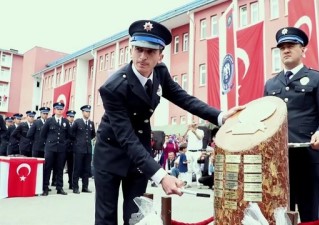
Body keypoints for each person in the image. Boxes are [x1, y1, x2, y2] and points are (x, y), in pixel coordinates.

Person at [92, 19, 242, 225]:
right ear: (131, 50)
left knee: (136, 215)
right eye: (138, 49)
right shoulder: (113, 87)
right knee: (106, 217)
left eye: (150, 51)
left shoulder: (160, 73)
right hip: (111, 153)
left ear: (160, 55)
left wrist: (219, 116)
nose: (143, 57)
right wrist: (161, 176)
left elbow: (184, 98)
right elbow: (126, 138)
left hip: (139, 155)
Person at [264, 27, 319, 222]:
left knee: (309, 215)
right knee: (279, 215)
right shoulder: (271, 84)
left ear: (302, 49)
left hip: (308, 155)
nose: (286, 50)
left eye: (291, 46)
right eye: (282, 47)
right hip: (279, 161)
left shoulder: (318, 78)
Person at [41, 102, 71, 196]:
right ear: (54, 110)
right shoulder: (49, 120)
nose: (59, 110)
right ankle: (45, 188)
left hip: (61, 149)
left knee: (59, 168)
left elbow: (69, 135)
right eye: (57, 109)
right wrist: (49, 142)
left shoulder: (65, 121)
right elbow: (42, 134)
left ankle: (59, 187)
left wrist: (64, 143)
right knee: (47, 168)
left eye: (61, 109)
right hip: (50, 148)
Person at [70, 105, 96, 194]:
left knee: (86, 169)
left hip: (88, 149)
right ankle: (75, 187)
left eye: (89, 111)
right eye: (86, 111)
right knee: (77, 168)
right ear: (82, 112)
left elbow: (93, 134)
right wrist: (77, 142)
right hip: (78, 149)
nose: (88, 113)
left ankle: (85, 187)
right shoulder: (77, 122)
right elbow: (71, 133)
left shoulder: (91, 123)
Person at [184, 122, 204, 188]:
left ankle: (199, 183)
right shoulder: (189, 131)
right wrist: (187, 129)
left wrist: (194, 131)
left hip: (197, 152)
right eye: (193, 124)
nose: (194, 125)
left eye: (195, 124)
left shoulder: (201, 131)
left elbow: (200, 138)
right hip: (189, 151)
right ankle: (189, 183)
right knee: (189, 167)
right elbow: (183, 138)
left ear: (198, 125)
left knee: (197, 167)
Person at [65, 109, 76, 189]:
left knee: (71, 167)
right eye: (70, 116)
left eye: (73, 117)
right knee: (60, 166)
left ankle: (71, 183)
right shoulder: (64, 124)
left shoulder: (75, 125)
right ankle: (56, 181)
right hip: (64, 148)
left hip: (72, 149)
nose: (71, 118)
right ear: (67, 117)